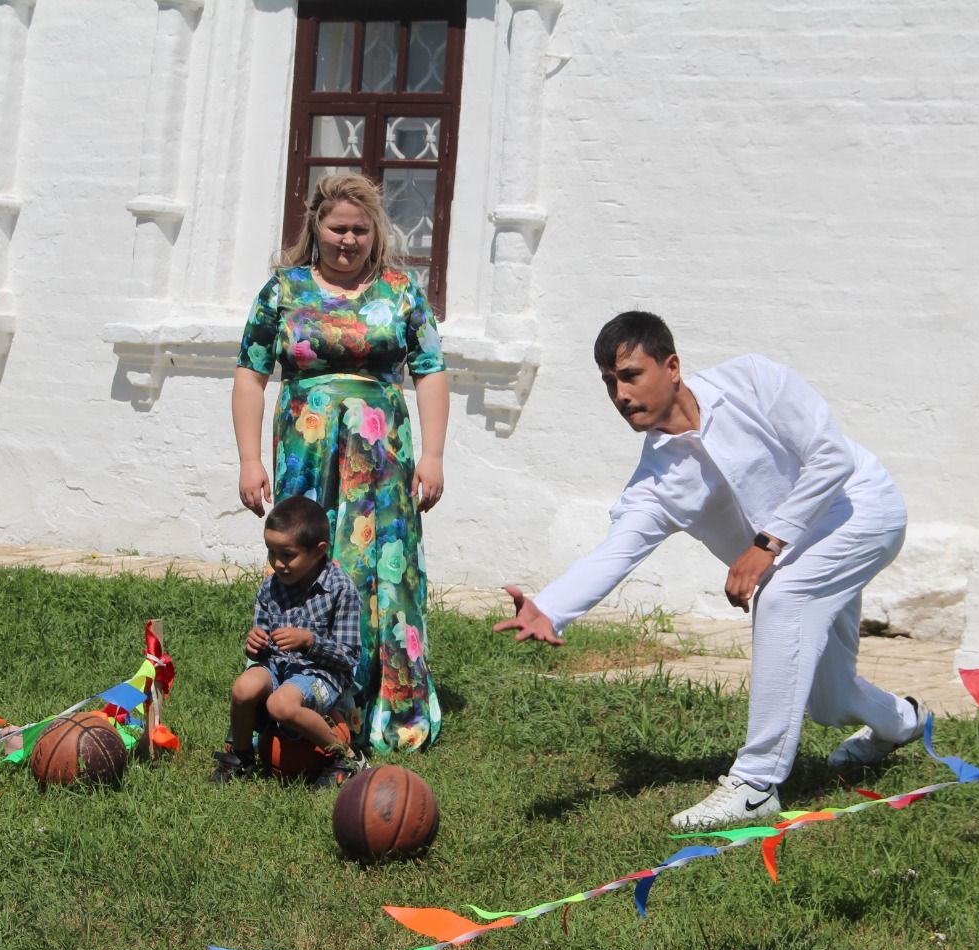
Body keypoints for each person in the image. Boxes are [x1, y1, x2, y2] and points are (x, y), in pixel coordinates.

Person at [495, 311, 930, 830]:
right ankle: (904, 720)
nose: (620, 394)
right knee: (828, 700)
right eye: (610, 383)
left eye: (630, 375)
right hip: (797, 558)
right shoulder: (657, 480)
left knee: (782, 598)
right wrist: (551, 607)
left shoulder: (752, 379)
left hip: (860, 510)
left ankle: (756, 784)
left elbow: (831, 457)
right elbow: (616, 551)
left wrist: (766, 545)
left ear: (672, 366)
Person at [232, 174, 448, 754]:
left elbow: (430, 371)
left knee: (381, 567)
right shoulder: (283, 290)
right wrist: (250, 459)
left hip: (381, 459)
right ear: (316, 229)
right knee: (305, 567)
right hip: (306, 449)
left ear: (373, 232)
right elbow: (251, 373)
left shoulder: (402, 291)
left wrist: (432, 454)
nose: (348, 240)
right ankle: (297, 695)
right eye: (337, 228)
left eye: (359, 229)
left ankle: (386, 701)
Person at [212, 496, 367, 788]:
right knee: (243, 688)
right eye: (272, 553)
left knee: (280, 704)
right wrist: (254, 644)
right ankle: (242, 757)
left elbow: (348, 659)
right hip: (278, 666)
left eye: (288, 555)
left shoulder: (340, 590)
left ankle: (345, 757)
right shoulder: (270, 588)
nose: (278, 563)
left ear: (318, 551)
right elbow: (262, 651)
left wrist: (309, 642)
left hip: (322, 674)